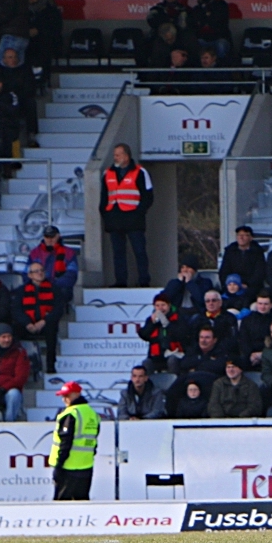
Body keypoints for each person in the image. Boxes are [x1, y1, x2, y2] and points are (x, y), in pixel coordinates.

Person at [100, 143, 154, 288]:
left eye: (118, 154)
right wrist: (106, 214)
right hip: (115, 218)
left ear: (126, 156)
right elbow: (104, 197)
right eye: (114, 155)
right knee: (118, 252)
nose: (115, 157)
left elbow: (148, 196)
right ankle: (120, 281)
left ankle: (144, 280)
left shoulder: (140, 172)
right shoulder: (108, 173)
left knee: (139, 250)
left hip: (133, 219)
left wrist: (138, 213)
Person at [49, 381, 98, 500]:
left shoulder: (71, 414)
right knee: (82, 505)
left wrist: (59, 466)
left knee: (62, 507)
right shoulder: (92, 413)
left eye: (67, 395)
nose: (64, 399)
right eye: (63, 396)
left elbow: (65, 443)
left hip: (68, 467)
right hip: (86, 466)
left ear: (77, 394)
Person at [14, 261, 63, 374]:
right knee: (13, 331)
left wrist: (44, 321)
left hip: (46, 323)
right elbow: (17, 310)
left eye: (42, 270)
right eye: (36, 271)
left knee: (52, 329)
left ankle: (51, 365)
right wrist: (27, 323)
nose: (40, 273)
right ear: (30, 275)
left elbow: (58, 309)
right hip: (28, 324)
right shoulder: (22, 290)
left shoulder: (54, 288)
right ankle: (19, 365)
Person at [137, 292, 186, 373]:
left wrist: (167, 324)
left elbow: (181, 334)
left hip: (174, 353)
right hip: (156, 356)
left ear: (169, 305)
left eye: (163, 305)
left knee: (172, 361)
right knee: (146, 363)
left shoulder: (178, 317)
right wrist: (152, 324)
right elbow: (144, 335)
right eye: (157, 306)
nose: (160, 308)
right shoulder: (151, 319)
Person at [27, 226, 78, 297]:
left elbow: (71, 275)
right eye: (47, 237)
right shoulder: (34, 253)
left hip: (59, 290)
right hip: (38, 289)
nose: (49, 240)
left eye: (52, 237)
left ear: (58, 236)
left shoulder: (69, 253)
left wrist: (51, 286)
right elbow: (26, 273)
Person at [218, 224, 267, 293]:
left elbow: (259, 273)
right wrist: (230, 284)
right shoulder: (230, 251)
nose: (241, 237)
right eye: (239, 235)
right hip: (231, 287)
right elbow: (224, 271)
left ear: (251, 238)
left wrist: (247, 284)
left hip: (251, 288)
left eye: (245, 235)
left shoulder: (258, 251)